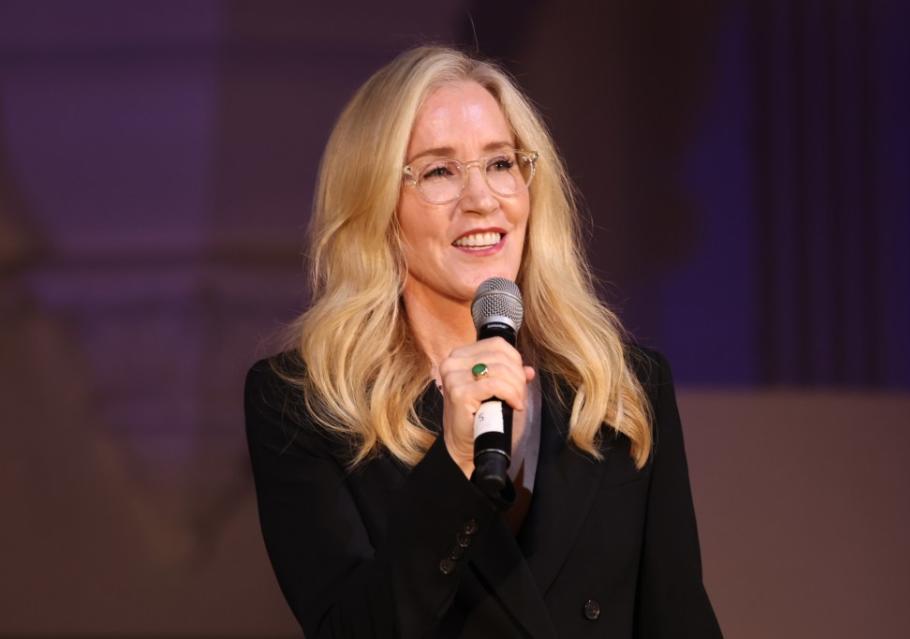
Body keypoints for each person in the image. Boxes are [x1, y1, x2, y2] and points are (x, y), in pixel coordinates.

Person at [244, 46, 722, 638]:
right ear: (377, 208)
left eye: (501, 163)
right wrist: (454, 468)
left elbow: (679, 621)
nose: (483, 200)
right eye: (439, 171)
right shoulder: (303, 403)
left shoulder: (623, 385)